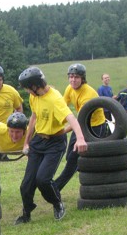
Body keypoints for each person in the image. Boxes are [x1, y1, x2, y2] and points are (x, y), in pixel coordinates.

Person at [15, 67, 87, 225]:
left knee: (43, 179)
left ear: (35, 85)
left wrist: (80, 138)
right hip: (38, 141)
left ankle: (57, 203)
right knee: (26, 185)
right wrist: (27, 141)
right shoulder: (34, 97)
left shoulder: (55, 98)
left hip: (55, 142)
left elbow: (71, 118)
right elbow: (33, 118)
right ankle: (26, 213)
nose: (27, 91)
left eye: (27, 88)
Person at [55, 63, 108, 191]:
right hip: (81, 125)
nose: (73, 80)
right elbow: (61, 108)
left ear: (82, 78)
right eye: (71, 77)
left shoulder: (88, 94)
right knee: (70, 156)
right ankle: (82, 170)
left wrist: (60, 132)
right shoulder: (69, 88)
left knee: (74, 158)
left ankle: (56, 187)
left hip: (94, 127)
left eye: (76, 77)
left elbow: (78, 120)